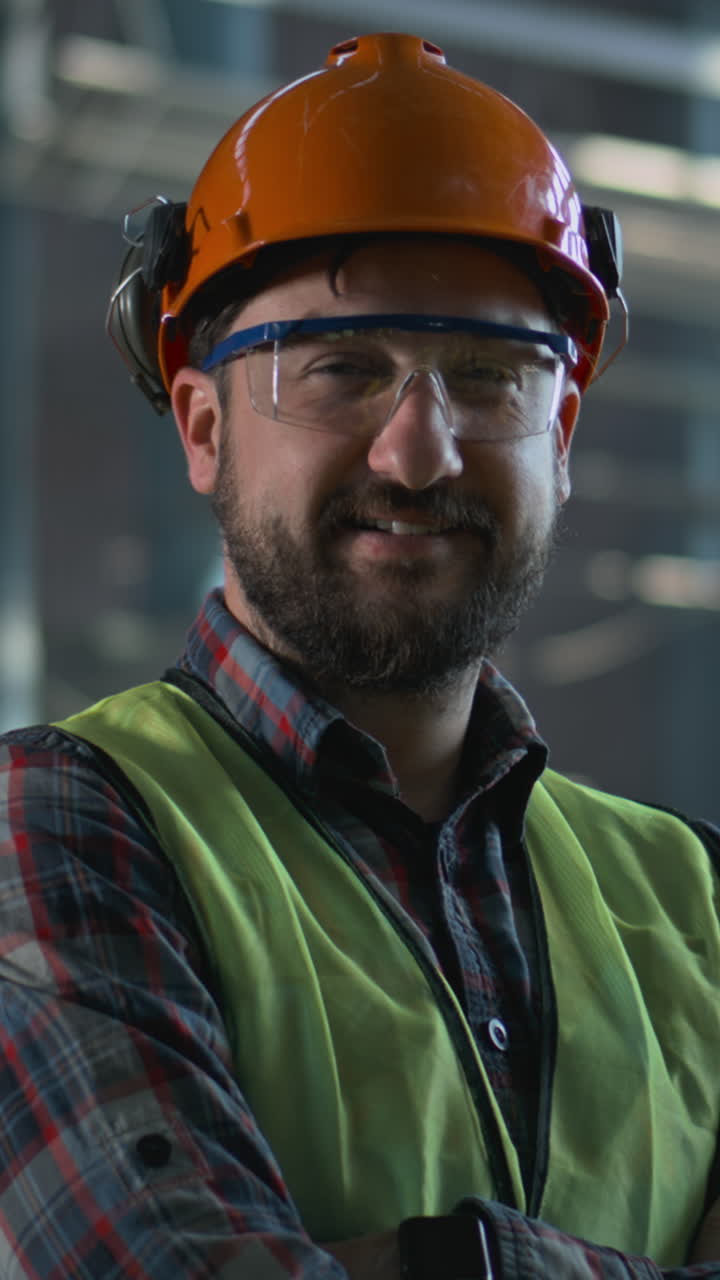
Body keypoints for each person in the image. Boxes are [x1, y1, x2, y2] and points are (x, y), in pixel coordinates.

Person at [0, 29, 719, 1280]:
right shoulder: (56, 825)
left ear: (562, 435)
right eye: (341, 370)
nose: (419, 451)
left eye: (491, 376)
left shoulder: (691, 896)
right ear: (204, 426)